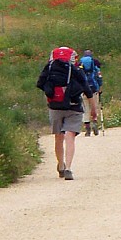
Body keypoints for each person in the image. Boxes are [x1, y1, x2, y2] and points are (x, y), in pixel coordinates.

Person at [36, 46, 94, 180]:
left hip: (54, 106)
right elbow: (87, 89)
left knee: (58, 137)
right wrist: (93, 109)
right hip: (73, 106)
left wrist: (51, 94)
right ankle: (68, 168)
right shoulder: (74, 70)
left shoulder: (49, 68)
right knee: (70, 136)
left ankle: (60, 165)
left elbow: (40, 84)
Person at [79, 50, 103, 135]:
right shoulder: (95, 68)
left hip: (83, 91)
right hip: (94, 90)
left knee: (86, 109)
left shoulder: (80, 68)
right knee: (94, 107)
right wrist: (100, 88)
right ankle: (95, 123)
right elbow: (99, 78)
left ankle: (87, 128)